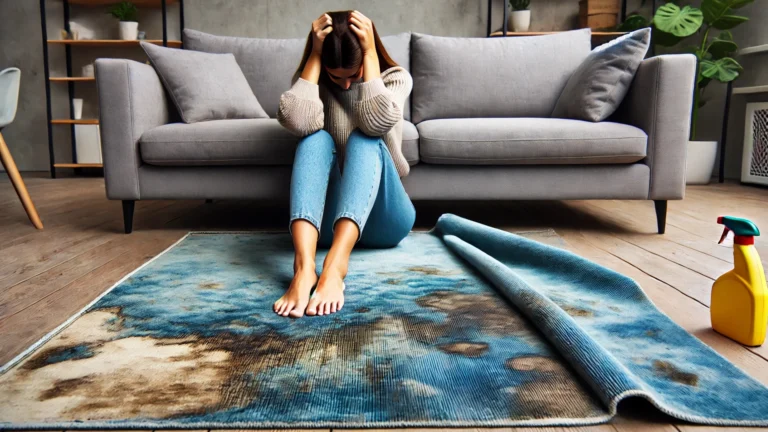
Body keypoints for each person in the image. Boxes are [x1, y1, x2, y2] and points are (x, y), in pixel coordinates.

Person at [273, 10, 415, 318]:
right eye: (338, 77)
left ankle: (336, 267)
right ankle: (304, 269)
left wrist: (370, 58)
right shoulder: (315, 85)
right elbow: (296, 120)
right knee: (313, 139)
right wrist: (314, 53)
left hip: (385, 217)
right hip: (326, 225)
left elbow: (376, 123)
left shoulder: (395, 78)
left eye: (355, 74)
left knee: (365, 139)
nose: (348, 85)